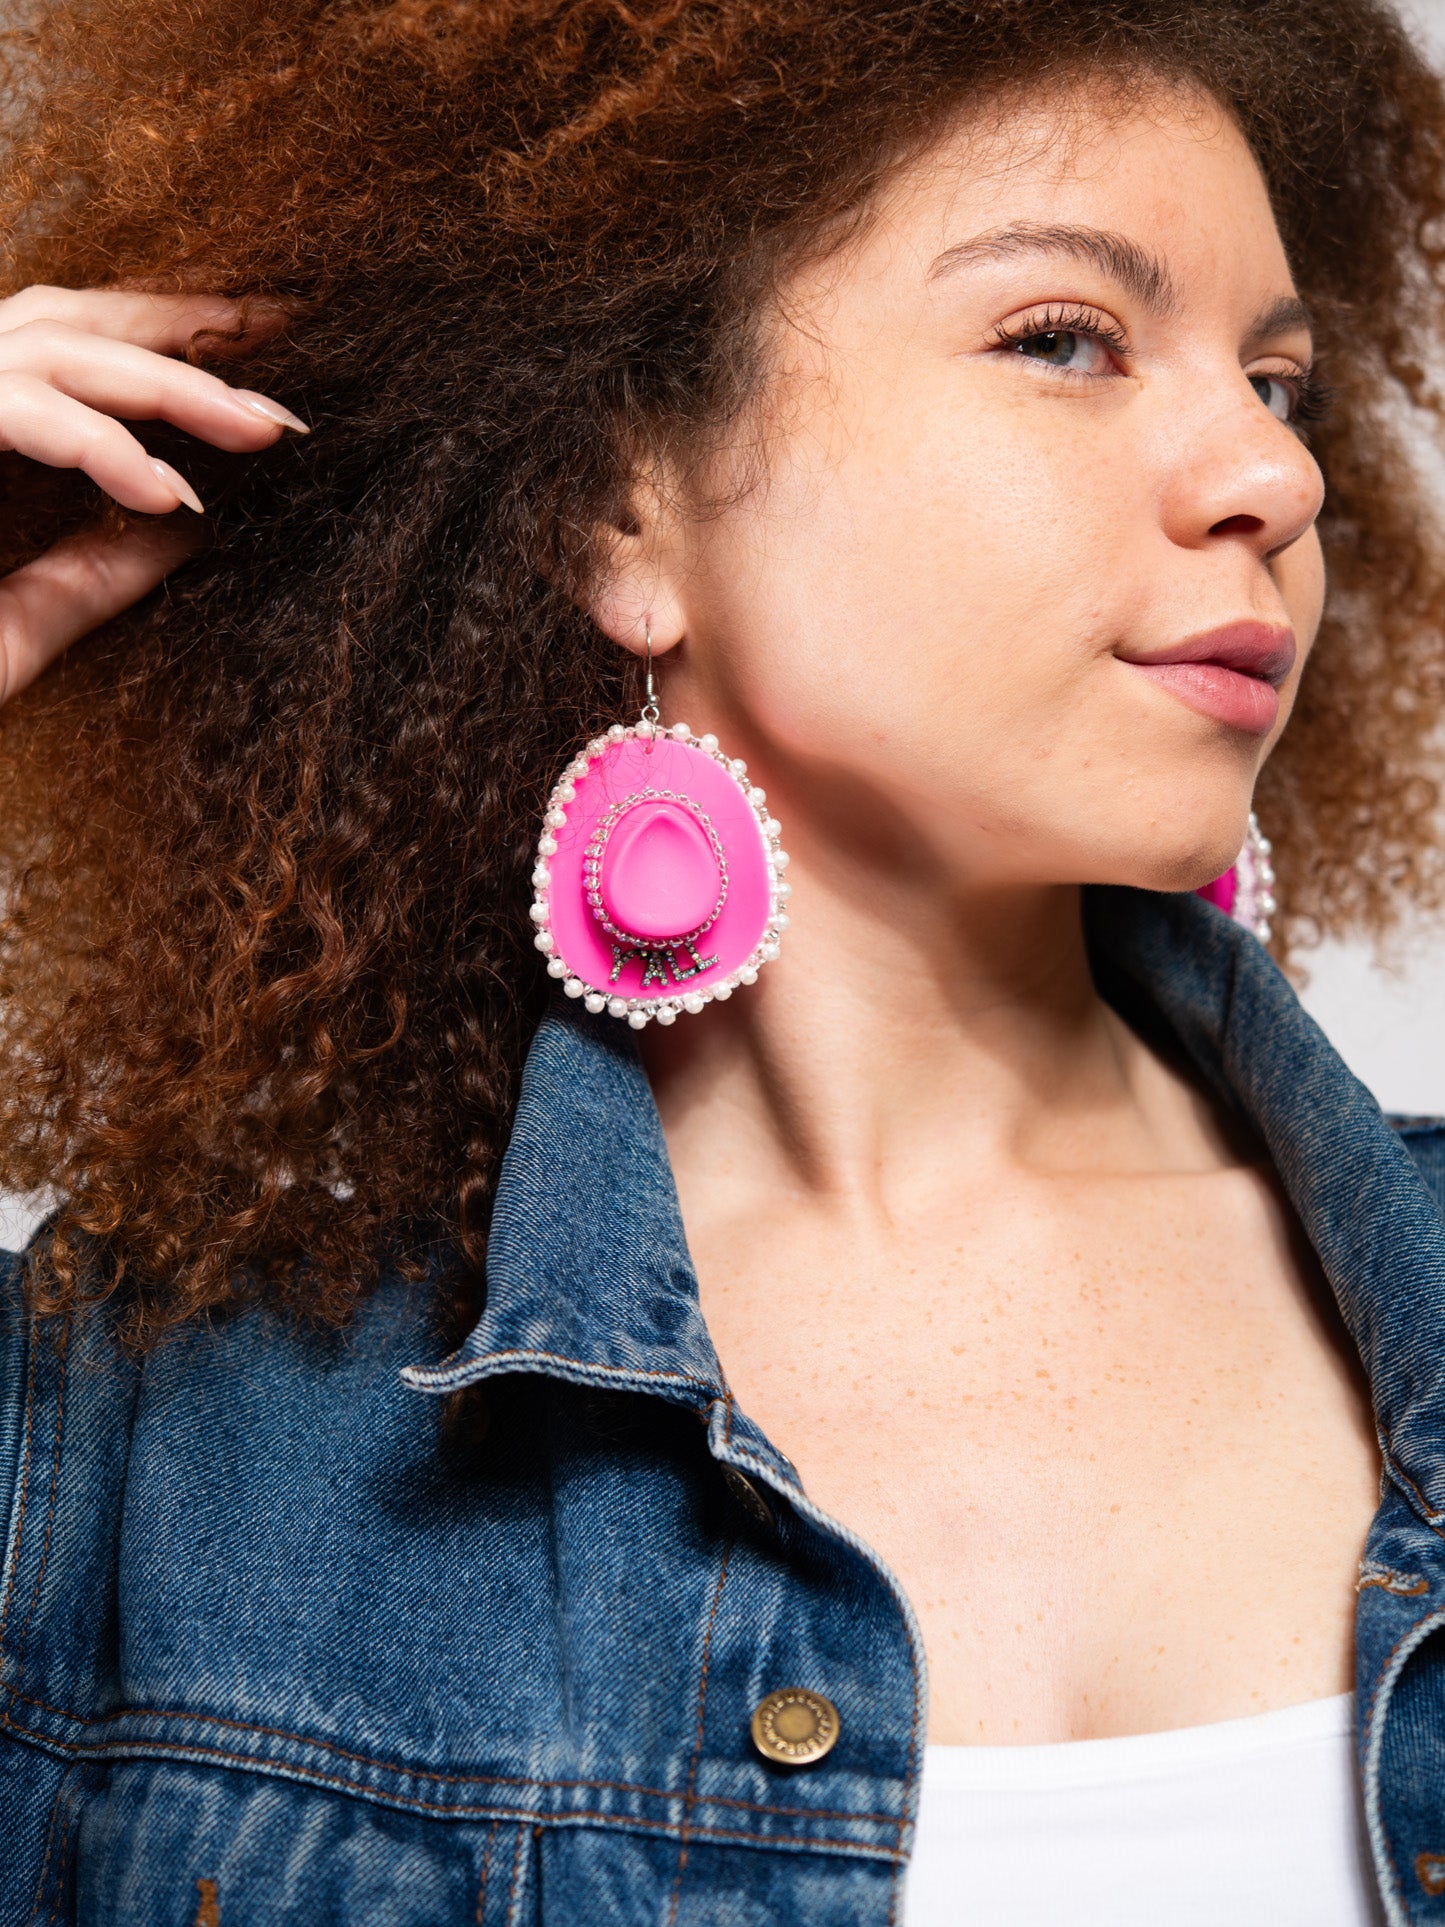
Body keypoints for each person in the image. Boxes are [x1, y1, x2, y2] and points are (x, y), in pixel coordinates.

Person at [0, 0, 1443, 1920]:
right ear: (622, 508)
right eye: (1063, 340)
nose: (1273, 480)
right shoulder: (149, 1421)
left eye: (1280, 385)